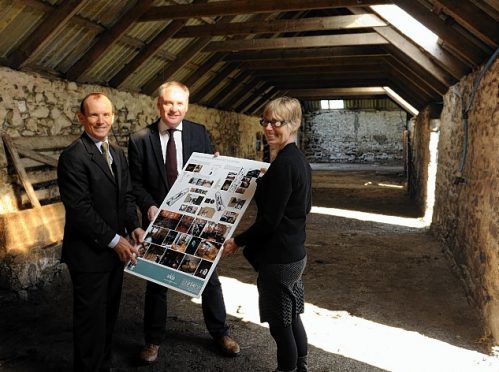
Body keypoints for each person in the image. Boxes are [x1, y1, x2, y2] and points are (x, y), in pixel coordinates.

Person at [128, 81, 240, 363]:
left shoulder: (198, 133)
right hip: (160, 220)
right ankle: (153, 341)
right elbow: (136, 183)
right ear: (159, 105)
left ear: (186, 106)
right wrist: (149, 206)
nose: (174, 109)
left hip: (196, 220)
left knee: (209, 278)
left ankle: (220, 333)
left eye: (179, 103)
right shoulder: (140, 139)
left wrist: (217, 166)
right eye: (168, 103)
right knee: (156, 282)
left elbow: (211, 175)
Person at [223, 97, 312, 372]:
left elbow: (270, 221)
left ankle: (288, 369)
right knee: (292, 314)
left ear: (294, 123)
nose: (269, 127)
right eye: (266, 121)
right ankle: (301, 366)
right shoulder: (296, 159)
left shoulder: (285, 164)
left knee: (280, 324)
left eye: (277, 122)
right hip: (295, 253)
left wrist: (237, 241)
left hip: (279, 259)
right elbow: (301, 206)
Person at [57, 92, 145, 371]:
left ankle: (103, 365)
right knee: (89, 323)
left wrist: (134, 226)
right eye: (94, 114)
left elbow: (127, 196)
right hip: (89, 255)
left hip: (113, 254)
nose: (101, 120)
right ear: (81, 118)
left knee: (107, 317)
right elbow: (81, 211)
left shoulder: (117, 153)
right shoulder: (73, 157)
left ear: (113, 117)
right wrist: (115, 239)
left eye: (106, 114)